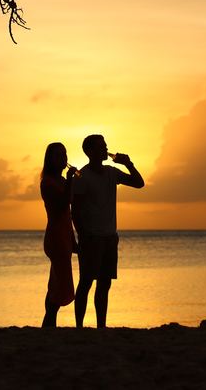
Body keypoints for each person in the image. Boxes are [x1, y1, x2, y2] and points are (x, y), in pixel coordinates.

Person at [71, 134, 144, 328]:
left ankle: (101, 327)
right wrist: (83, 235)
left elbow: (139, 183)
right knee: (86, 282)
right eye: (101, 147)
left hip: (110, 238)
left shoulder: (112, 172)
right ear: (90, 152)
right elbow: (75, 211)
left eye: (105, 146)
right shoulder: (82, 177)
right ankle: (79, 327)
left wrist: (129, 164)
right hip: (91, 238)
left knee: (104, 284)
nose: (106, 149)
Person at [39, 142, 77, 327]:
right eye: (59, 155)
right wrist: (71, 180)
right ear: (51, 160)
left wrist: (73, 239)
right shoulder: (47, 182)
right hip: (55, 237)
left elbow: (68, 214)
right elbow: (63, 205)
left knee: (56, 280)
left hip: (64, 235)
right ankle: (49, 322)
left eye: (65, 154)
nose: (64, 158)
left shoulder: (61, 181)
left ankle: (49, 324)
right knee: (59, 282)